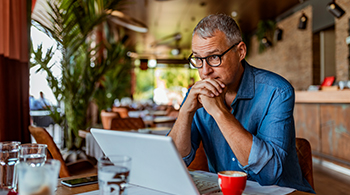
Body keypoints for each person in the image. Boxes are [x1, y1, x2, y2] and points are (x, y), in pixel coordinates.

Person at [168, 14, 315, 193]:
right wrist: (185, 112)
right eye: (198, 59)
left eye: (214, 57)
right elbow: (173, 163)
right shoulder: (197, 95)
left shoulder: (277, 91)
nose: (205, 71)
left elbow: (269, 174)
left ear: (240, 51)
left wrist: (220, 112)